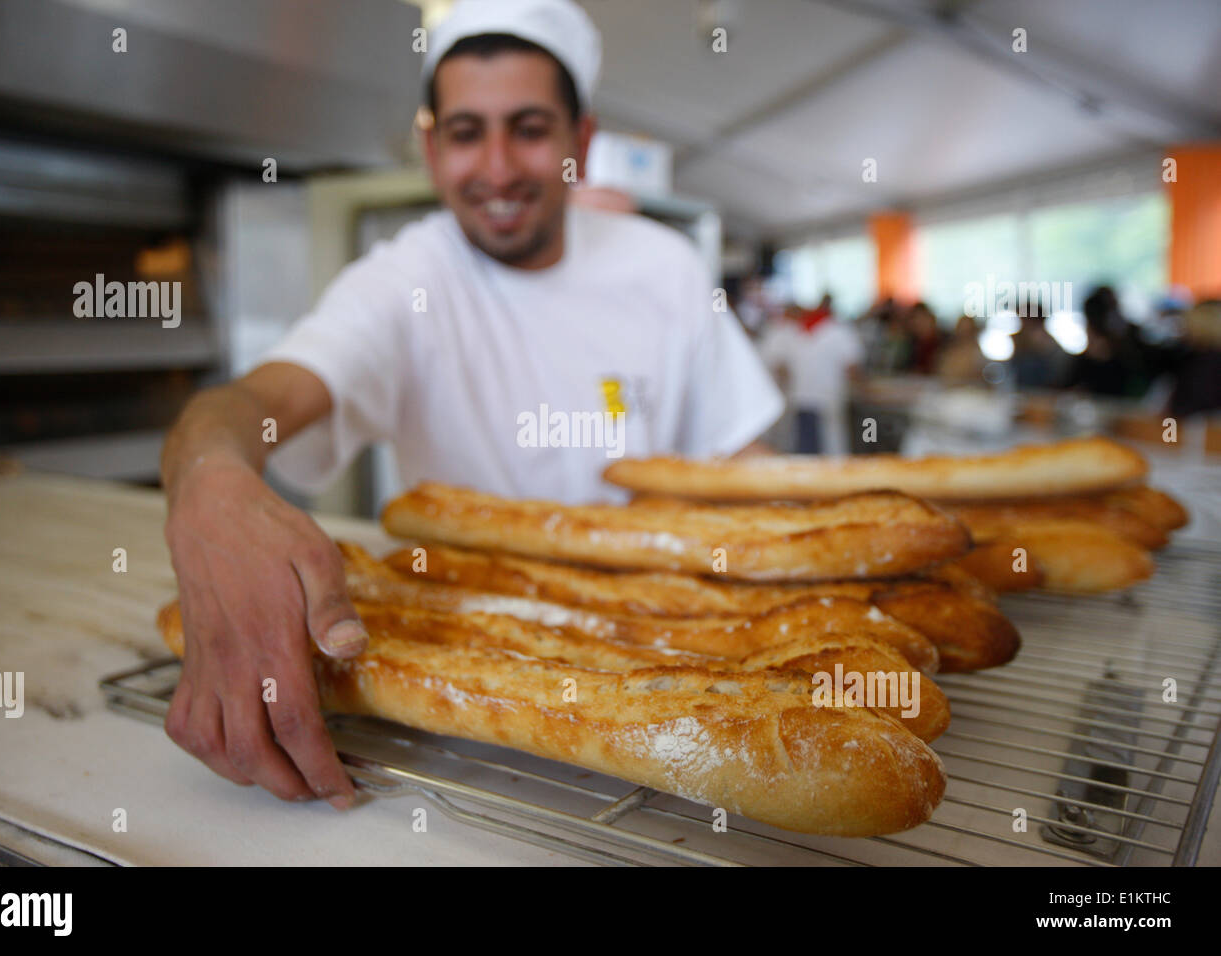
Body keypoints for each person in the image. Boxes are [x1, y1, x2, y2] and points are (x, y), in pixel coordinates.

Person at [158, 0, 783, 810]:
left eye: (528, 128)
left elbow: (744, 470)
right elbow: (248, 407)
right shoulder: (407, 282)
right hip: (471, 706)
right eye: (465, 133)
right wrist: (210, 482)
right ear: (430, 145)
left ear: (579, 142)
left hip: (670, 658)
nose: (495, 168)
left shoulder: (661, 270)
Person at [758, 295, 863, 454]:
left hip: (801, 397)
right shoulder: (839, 331)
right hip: (827, 397)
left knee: (806, 446)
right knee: (831, 446)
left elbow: (781, 367)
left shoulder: (793, 333)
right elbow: (852, 368)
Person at [937, 314, 986, 385]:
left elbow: (978, 377)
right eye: (961, 329)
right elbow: (943, 372)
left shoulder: (977, 354)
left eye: (967, 330)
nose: (964, 332)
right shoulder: (950, 350)